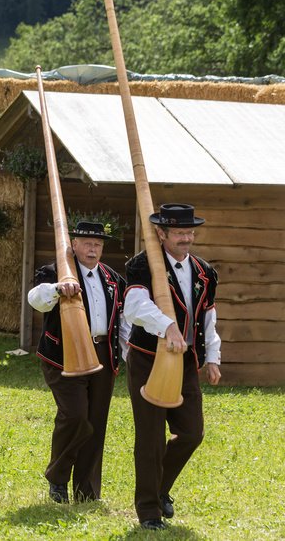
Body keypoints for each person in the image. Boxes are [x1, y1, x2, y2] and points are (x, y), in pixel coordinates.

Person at [121, 204, 221, 531]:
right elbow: (135, 307)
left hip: (187, 361)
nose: (187, 238)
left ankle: (160, 488)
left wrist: (214, 357)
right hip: (148, 358)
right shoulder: (141, 264)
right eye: (180, 233)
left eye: (190, 232)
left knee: (192, 432)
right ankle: (148, 510)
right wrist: (167, 326)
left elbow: (208, 317)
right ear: (161, 234)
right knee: (150, 437)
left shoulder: (205, 271)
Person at [28, 220, 126, 503]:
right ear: (74, 245)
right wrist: (59, 288)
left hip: (103, 355)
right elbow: (36, 299)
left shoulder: (113, 279)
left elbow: (122, 320)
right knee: (75, 415)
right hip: (63, 355)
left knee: (96, 423)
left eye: (97, 244)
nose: (92, 249)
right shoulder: (54, 272)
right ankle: (58, 478)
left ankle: (87, 490)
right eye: (87, 243)